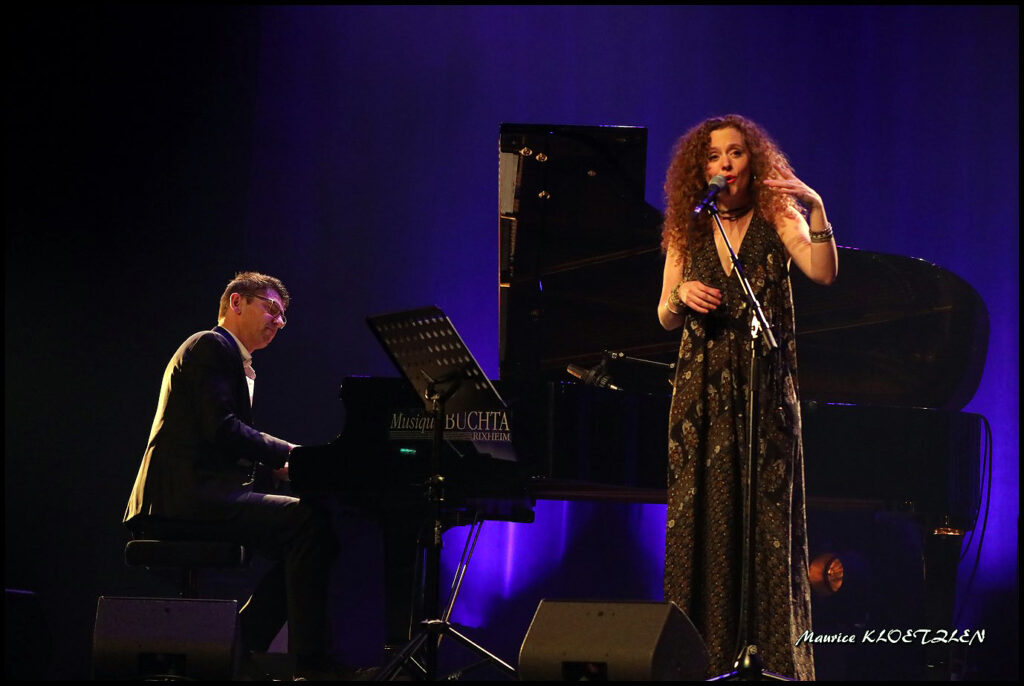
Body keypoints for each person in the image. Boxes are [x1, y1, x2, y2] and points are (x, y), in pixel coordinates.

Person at [657, 114, 837, 680]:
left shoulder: (775, 215)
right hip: (701, 398)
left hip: (763, 390)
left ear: (751, 161)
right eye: (714, 157)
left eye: (735, 154)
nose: (725, 164)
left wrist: (817, 212)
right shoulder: (688, 228)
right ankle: (698, 661)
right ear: (701, 168)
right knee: (702, 520)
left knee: (765, 524)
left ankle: (769, 659)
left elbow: (822, 272)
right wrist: (682, 293)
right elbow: (663, 314)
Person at [123, 271, 344, 679]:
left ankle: (237, 648)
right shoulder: (210, 344)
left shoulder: (234, 359)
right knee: (308, 524)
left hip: (201, 492)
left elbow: (218, 440)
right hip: (183, 497)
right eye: (272, 309)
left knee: (313, 535)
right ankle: (310, 667)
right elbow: (221, 429)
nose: (280, 322)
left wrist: (275, 468)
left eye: (283, 316)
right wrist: (288, 454)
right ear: (237, 302)